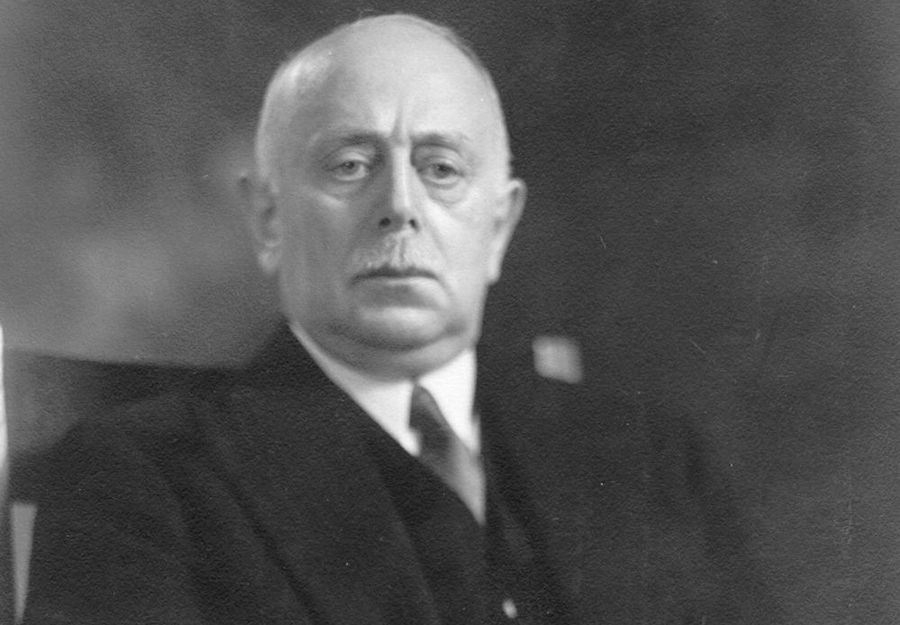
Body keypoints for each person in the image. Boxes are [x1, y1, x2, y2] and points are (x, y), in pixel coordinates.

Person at [22, 13, 781, 625]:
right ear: (267, 218)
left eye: (441, 166)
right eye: (350, 164)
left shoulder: (653, 460)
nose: (399, 207)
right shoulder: (145, 478)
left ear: (499, 226)